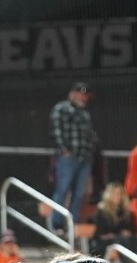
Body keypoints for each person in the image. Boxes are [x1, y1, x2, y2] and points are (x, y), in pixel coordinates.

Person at [50, 82, 99, 232]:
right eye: (82, 95)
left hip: (85, 158)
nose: (85, 98)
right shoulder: (62, 108)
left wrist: (92, 150)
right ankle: (57, 223)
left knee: (79, 193)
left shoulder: (85, 113)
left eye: (86, 96)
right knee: (63, 189)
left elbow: (91, 135)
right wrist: (64, 149)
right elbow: (56, 130)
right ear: (73, 94)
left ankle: (72, 224)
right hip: (69, 157)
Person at [90, 181, 137, 257]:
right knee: (122, 240)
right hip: (104, 242)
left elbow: (132, 229)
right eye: (116, 193)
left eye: (120, 193)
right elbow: (102, 231)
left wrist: (126, 232)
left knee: (136, 240)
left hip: (121, 240)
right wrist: (119, 233)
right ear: (109, 195)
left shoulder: (125, 212)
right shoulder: (102, 210)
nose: (118, 196)